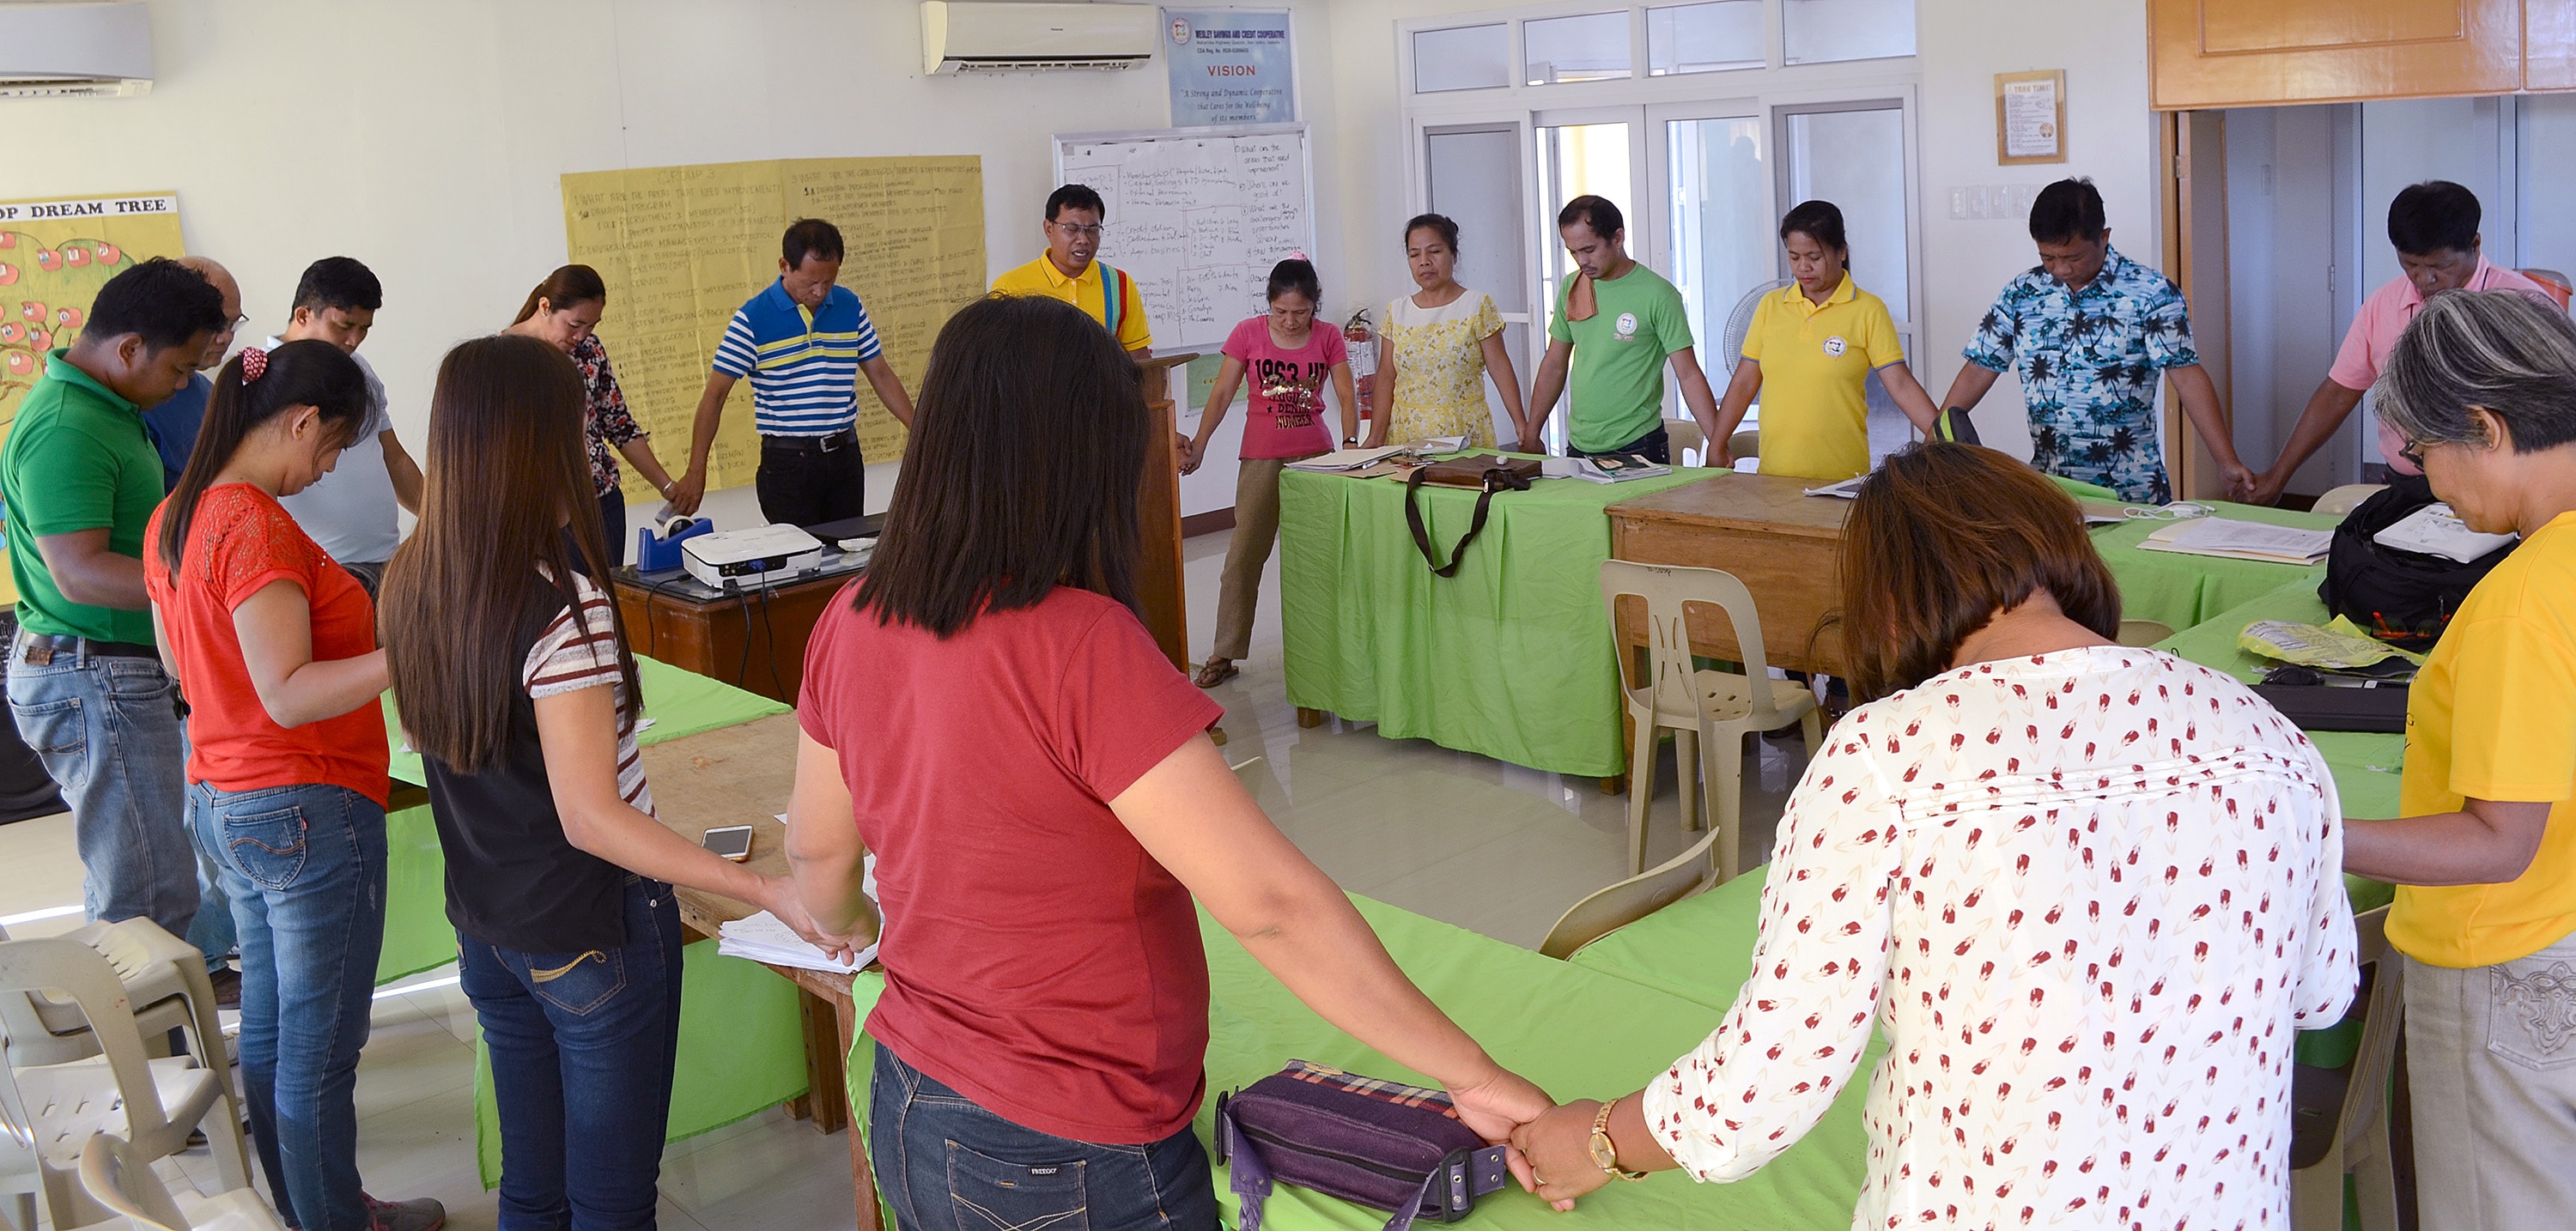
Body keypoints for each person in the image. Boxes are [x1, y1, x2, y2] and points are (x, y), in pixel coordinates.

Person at [782, 294, 1549, 1231]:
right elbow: (1269, 910)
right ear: (1080, 461)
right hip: (1070, 1142)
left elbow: (819, 857)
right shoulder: (1082, 644)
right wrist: (1472, 1075)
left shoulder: (851, 617)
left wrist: (856, 925)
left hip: (909, 1096)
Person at [1508, 441, 2356, 1227]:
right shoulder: (2264, 729)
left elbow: (1771, 1076)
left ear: (1883, 596)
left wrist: (1600, 1138)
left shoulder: (1886, 755)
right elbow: (2321, 994)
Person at [379, 334, 835, 1229]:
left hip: (488, 922)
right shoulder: (560, 601)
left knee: (534, 1187)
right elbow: (591, 818)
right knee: (612, 1202)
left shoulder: (414, 576)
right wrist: (757, 888)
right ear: (543, 441)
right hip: (591, 926)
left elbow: (446, 743)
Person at [143, 340, 444, 1231]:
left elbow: (184, 671)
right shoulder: (252, 524)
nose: (323, 472)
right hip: (303, 805)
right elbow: (287, 691)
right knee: (317, 1053)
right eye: (330, 449)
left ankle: (324, 1207)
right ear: (302, 422)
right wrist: (413, 655)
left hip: (230, 797)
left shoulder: (180, 515)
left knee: (277, 1039)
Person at [2338, 289, 2576, 1231]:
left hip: (2507, 963)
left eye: (2425, 455)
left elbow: (2496, 842)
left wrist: (2300, 824)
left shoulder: (2526, 598)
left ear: (2486, 425)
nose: (2429, 487)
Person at [3, 258, 223, 950]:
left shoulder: (108, 406)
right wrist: (210, 594)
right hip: (91, 673)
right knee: (148, 896)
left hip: (109, 668)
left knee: (142, 880)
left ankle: (146, 1038)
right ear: (129, 348)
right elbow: (80, 572)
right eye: (180, 370)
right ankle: (151, 1055)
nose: (184, 386)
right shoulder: (68, 425)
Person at [1940, 178, 2253, 504]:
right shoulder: (2022, 293)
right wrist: (1935, 440)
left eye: (2073, 257)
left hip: (2130, 491)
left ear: (2103, 237)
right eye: (2048, 257)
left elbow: (2187, 377)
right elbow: (1979, 367)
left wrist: (2225, 460)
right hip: (2050, 488)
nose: (2060, 269)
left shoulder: (2150, 293)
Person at [2246, 181, 2555, 506]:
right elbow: (2338, 393)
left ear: (2475, 245)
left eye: (2440, 266)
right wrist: (2279, 475)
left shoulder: (2524, 304)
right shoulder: (2383, 304)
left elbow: (2555, 406)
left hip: (2500, 489)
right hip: (2409, 487)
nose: (2424, 279)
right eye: (2411, 265)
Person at [668, 219, 915, 528]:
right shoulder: (753, 319)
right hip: (788, 465)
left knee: (850, 555)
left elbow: (880, 374)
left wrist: (920, 432)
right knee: (799, 564)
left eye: (828, 281)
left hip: (844, 458)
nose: (820, 291)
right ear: (785, 266)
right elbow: (715, 397)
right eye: (810, 282)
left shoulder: (849, 305)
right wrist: (696, 470)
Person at [1178, 258, 1352, 688]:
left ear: (1315, 306)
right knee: (1243, 557)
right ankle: (1224, 651)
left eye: (1301, 312)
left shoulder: (1329, 336)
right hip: (1261, 459)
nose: (1291, 322)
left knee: (1319, 558)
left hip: (1316, 459)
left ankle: (1327, 645)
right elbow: (1220, 394)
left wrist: (1350, 449)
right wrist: (1199, 444)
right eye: (1281, 312)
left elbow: (1348, 395)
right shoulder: (1248, 333)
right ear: (1268, 305)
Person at [1706, 200, 1941, 481]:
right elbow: (1744, 382)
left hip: (1841, 478)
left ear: (1841, 252)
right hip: (1774, 477)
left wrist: (1944, 439)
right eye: (1794, 257)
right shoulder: (1771, 306)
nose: (1803, 267)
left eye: (1814, 257)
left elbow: (1901, 385)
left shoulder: (1867, 310)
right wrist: (1716, 444)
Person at [268, 258, 424, 597]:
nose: (355, 340)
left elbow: (393, 457)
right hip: (321, 568)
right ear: (303, 315)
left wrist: (441, 518)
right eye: (344, 326)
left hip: (388, 561)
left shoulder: (359, 368)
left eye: (365, 329)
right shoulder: (263, 378)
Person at [502, 264, 681, 556]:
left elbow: (620, 425)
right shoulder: (506, 357)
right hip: (542, 510)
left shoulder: (589, 350)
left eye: (592, 326)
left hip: (602, 500)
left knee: (606, 597)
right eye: (574, 325)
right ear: (545, 307)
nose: (582, 335)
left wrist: (668, 487)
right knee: (559, 599)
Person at [1526, 196, 1720, 463]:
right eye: (1574, 252)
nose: (1582, 261)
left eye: (1589, 249)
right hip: (1579, 446)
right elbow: (1554, 364)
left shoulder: (1658, 295)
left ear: (1618, 238)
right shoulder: (1572, 287)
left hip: (1638, 447)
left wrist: (1717, 443)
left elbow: (1688, 375)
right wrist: (1531, 432)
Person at [1364, 213, 1528, 452]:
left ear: (1454, 254)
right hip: (1407, 437)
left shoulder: (1477, 305)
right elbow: (1387, 376)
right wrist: (1375, 437)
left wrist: (1520, 424)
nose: (1424, 261)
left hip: (1463, 432)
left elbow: (1500, 367)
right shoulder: (1396, 311)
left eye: (1435, 251)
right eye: (1414, 254)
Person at [989, 183, 1153, 355]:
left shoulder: (1120, 284)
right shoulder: (1010, 287)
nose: (1083, 239)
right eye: (1072, 229)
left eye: (1092, 230)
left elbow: (1139, 360)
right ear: (1049, 229)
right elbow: (996, 362)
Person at [141, 255, 246, 493]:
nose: (227, 337)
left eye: (233, 324)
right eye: (217, 323)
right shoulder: (141, 402)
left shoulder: (207, 392)